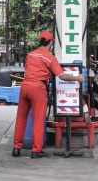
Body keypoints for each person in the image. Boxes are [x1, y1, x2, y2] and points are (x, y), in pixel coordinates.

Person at [12, 31, 84, 159]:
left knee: (21, 119)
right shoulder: (50, 57)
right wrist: (77, 78)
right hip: (38, 88)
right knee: (38, 121)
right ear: (51, 42)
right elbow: (62, 76)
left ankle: (16, 148)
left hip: (25, 86)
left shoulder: (30, 55)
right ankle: (36, 150)